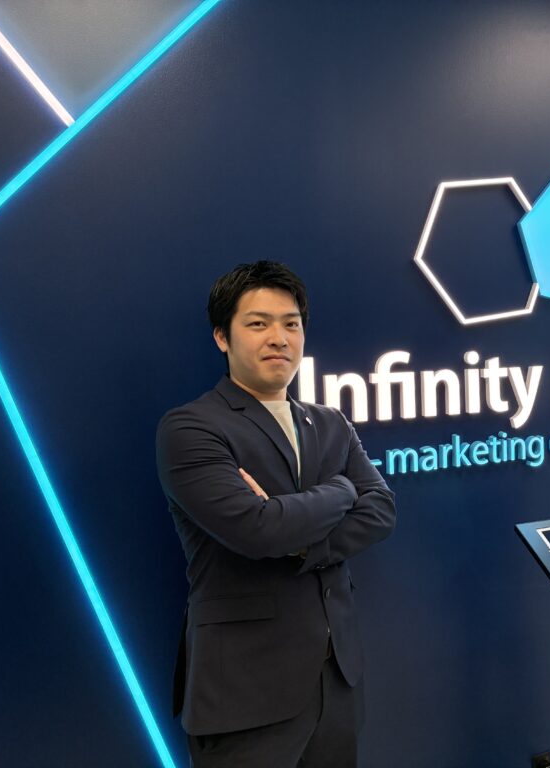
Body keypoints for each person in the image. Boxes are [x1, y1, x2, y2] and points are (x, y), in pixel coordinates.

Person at [156, 261, 396, 768]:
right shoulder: (192, 428)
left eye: (291, 324)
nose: (279, 338)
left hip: (335, 682)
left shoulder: (329, 423)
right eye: (258, 323)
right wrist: (341, 489)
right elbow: (258, 530)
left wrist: (299, 536)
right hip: (245, 692)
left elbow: (381, 510)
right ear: (222, 337)